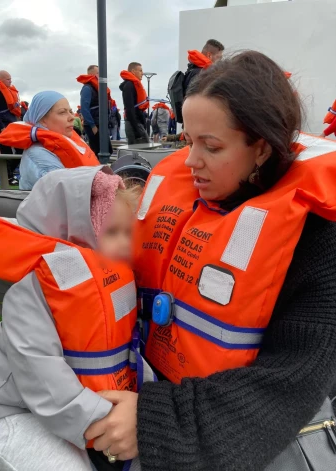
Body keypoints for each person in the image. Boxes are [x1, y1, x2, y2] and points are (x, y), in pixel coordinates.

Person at [84, 51, 336, 470]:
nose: (189, 162)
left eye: (211, 146)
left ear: (260, 148)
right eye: (188, 141)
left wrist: (153, 422)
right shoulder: (175, 198)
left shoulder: (318, 240)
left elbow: (294, 380)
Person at [0, 166, 150, 471]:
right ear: (71, 239)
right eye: (112, 232)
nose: (127, 244)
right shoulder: (31, 296)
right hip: (3, 410)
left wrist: (147, 408)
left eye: (130, 232)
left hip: (60, 407)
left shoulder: (115, 283)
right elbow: (45, 382)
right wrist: (108, 422)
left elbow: (130, 351)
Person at [0, 91, 100, 190]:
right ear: (42, 119)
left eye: (70, 111)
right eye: (62, 112)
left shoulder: (66, 141)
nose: (71, 117)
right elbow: (66, 193)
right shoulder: (38, 155)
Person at [0, 70, 22, 184]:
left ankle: (11, 172)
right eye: (8, 79)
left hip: (12, 124)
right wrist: (1, 126)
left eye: (10, 78)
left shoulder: (9, 90)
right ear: (2, 80)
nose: (10, 81)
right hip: (3, 125)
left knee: (21, 149)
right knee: (6, 151)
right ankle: (8, 177)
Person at [77, 65, 113, 157]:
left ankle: (103, 168)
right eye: (98, 73)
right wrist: (93, 126)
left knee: (108, 150)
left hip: (101, 124)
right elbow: (84, 109)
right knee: (97, 151)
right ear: (92, 74)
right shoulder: (87, 88)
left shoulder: (98, 88)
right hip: (93, 125)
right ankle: (97, 169)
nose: (100, 75)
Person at [120, 62, 149, 145]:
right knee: (143, 148)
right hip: (133, 124)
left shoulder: (133, 85)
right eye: (140, 71)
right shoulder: (129, 86)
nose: (142, 73)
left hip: (137, 122)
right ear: (133, 71)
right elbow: (129, 109)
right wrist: (136, 130)